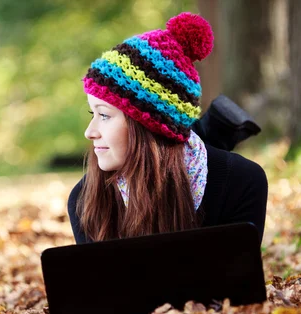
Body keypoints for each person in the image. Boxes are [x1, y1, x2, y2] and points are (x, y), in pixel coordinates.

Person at [68, 12, 268, 244]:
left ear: (149, 125)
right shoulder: (86, 200)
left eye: (104, 115)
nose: (89, 132)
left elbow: (238, 277)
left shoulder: (240, 182)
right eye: (93, 113)